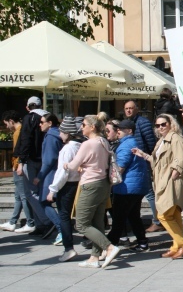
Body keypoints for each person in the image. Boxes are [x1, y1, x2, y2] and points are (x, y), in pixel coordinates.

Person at [64, 115, 120, 268]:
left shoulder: (88, 144)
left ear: (92, 127)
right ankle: (94, 257)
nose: (82, 127)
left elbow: (74, 165)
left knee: (81, 224)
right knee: (97, 222)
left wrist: (66, 165)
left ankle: (109, 247)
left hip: (90, 184)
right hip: (103, 184)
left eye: (84, 124)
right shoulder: (103, 142)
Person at [133, 114, 183, 259]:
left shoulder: (175, 138)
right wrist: (143, 155)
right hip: (163, 180)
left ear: (171, 124)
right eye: (158, 125)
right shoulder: (161, 141)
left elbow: (181, 157)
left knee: (163, 214)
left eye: (163, 124)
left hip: (172, 180)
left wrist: (175, 172)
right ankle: (176, 245)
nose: (160, 128)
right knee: (174, 214)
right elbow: (156, 162)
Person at [107, 119, 151, 253]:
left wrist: (109, 182)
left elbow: (120, 167)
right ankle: (142, 242)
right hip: (135, 186)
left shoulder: (126, 145)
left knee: (118, 217)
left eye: (121, 129)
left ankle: (109, 245)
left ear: (129, 131)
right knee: (133, 216)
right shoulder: (131, 142)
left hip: (127, 187)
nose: (118, 131)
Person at [13, 96, 54, 236]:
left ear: (27, 107)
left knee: (30, 193)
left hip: (31, 159)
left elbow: (25, 139)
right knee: (39, 191)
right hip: (45, 159)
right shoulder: (47, 117)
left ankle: (47, 221)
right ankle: (40, 224)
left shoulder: (29, 118)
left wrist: (21, 160)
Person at [47, 116, 82, 262]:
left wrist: (52, 190)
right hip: (79, 184)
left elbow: (62, 172)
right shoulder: (80, 146)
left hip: (67, 185)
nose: (60, 134)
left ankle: (68, 248)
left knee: (64, 216)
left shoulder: (67, 149)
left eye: (61, 132)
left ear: (67, 133)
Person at [124, 100, 162, 233]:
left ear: (137, 109)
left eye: (130, 108)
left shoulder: (143, 122)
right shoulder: (130, 123)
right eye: (126, 108)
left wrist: (148, 158)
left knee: (149, 192)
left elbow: (151, 143)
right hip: (134, 162)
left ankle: (157, 221)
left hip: (143, 161)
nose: (128, 110)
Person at [0, 110, 35, 233]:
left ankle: (30, 222)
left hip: (18, 166)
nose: (6, 127)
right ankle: (13, 221)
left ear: (10, 121)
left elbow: (18, 151)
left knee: (23, 195)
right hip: (20, 166)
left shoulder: (17, 133)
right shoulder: (21, 130)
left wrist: (17, 165)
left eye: (6, 124)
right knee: (18, 196)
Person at [35, 113, 63, 244]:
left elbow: (48, 159)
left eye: (42, 122)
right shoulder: (57, 134)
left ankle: (60, 228)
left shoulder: (51, 136)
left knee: (44, 201)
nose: (40, 124)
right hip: (58, 172)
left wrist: (39, 176)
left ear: (50, 123)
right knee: (58, 202)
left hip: (51, 173)